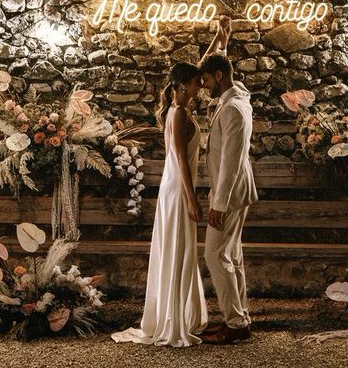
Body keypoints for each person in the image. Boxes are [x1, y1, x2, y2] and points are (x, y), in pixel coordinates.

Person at [110, 61, 208, 347]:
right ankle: (172, 319)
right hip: (178, 189)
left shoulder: (179, 110)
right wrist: (192, 198)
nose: (200, 86)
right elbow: (179, 157)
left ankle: (179, 314)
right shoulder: (178, 115)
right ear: (181, 86)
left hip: (174, 186)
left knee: (181, 250)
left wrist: (220, 37)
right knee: (178, 250)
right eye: (195, 82)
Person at [197, 18, 258, 345]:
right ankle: (239, 317)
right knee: (230, 255)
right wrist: (220, 43)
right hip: (234, 191)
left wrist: (218, 205)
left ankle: (235, 323)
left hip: (230, 193)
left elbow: (232, 163)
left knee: (214, 256)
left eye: (206, 79)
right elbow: (206, 69)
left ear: (219, 77)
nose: (203, 85)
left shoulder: (233, 109)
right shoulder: (236, 95)